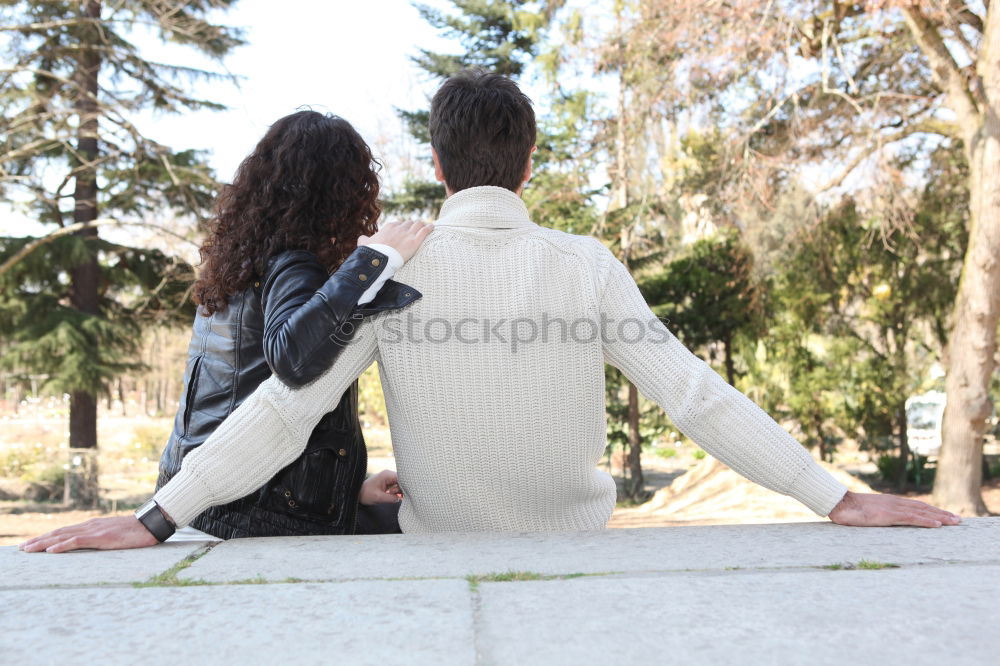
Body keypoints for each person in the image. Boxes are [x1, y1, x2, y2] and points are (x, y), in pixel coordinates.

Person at [22, 70, 958, 553]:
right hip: (580, 547)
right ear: (529, 159)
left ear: (436, 164)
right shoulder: (586, 265)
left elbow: (283, 411)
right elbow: (696, 398)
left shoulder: (386, 273)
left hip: (437, 548)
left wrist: (151, 519)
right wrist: (837, 496)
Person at [28, 110, 433, 550]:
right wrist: (371, 262)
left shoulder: (238, 270)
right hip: (260, 511)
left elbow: (241, 397)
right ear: (344, 193)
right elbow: (292, 360)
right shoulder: (296, 266)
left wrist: (348, 487)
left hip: (207, 497)